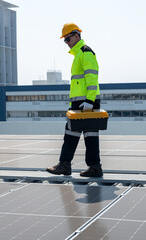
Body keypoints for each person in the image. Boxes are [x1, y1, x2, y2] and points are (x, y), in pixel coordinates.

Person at [46, 23, 103, 177]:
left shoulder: (85, 52)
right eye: (64, 40)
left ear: (77, 35)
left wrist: (90, 101)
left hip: (86, 102)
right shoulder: (79, 54)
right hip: (81, 102)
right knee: (78, 134)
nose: (66, 42)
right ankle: (92, 167)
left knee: (81, 135)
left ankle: (70, 165)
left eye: (68, 39)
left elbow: (92, 77)